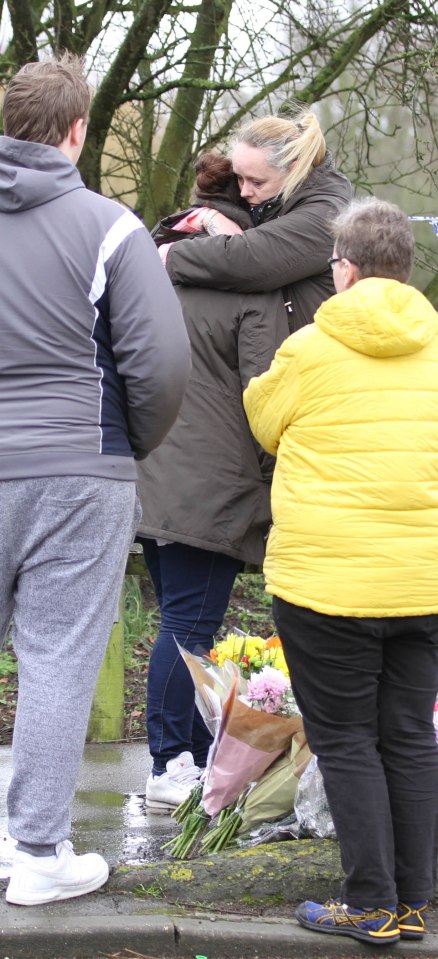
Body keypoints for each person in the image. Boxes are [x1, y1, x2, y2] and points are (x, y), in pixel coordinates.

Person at [243, 198, 438, 946]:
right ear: (406, 266)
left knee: (345, 738)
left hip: (328, 582)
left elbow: (263, 421)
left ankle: (369, 902)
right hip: (424, 579)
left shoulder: (309, 347)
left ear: (341, 267)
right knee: (407, 733)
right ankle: (411, 900)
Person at [0, 55, 190, 907]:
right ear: (78, 131)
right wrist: (124, 444)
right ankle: (36, 850)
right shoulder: (111, 228)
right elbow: (161, 364)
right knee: (58, 657)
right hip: (79, 468)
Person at [136, 154, 291, 809]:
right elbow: (267, 393)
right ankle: (170, 761)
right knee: (189, 626)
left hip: (146, 472)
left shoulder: (146, 263)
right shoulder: (247, 282)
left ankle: (188, 755)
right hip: (212, 480)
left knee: (179, 617)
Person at [162, 110, 353, 333]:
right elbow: (167, 229)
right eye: (239, 178)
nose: (244, 191)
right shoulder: (262, 196)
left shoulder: (328, 214)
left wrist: (169, 256)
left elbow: (250, 259)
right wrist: (207, 216)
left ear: (292, 168)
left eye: (257, 182)